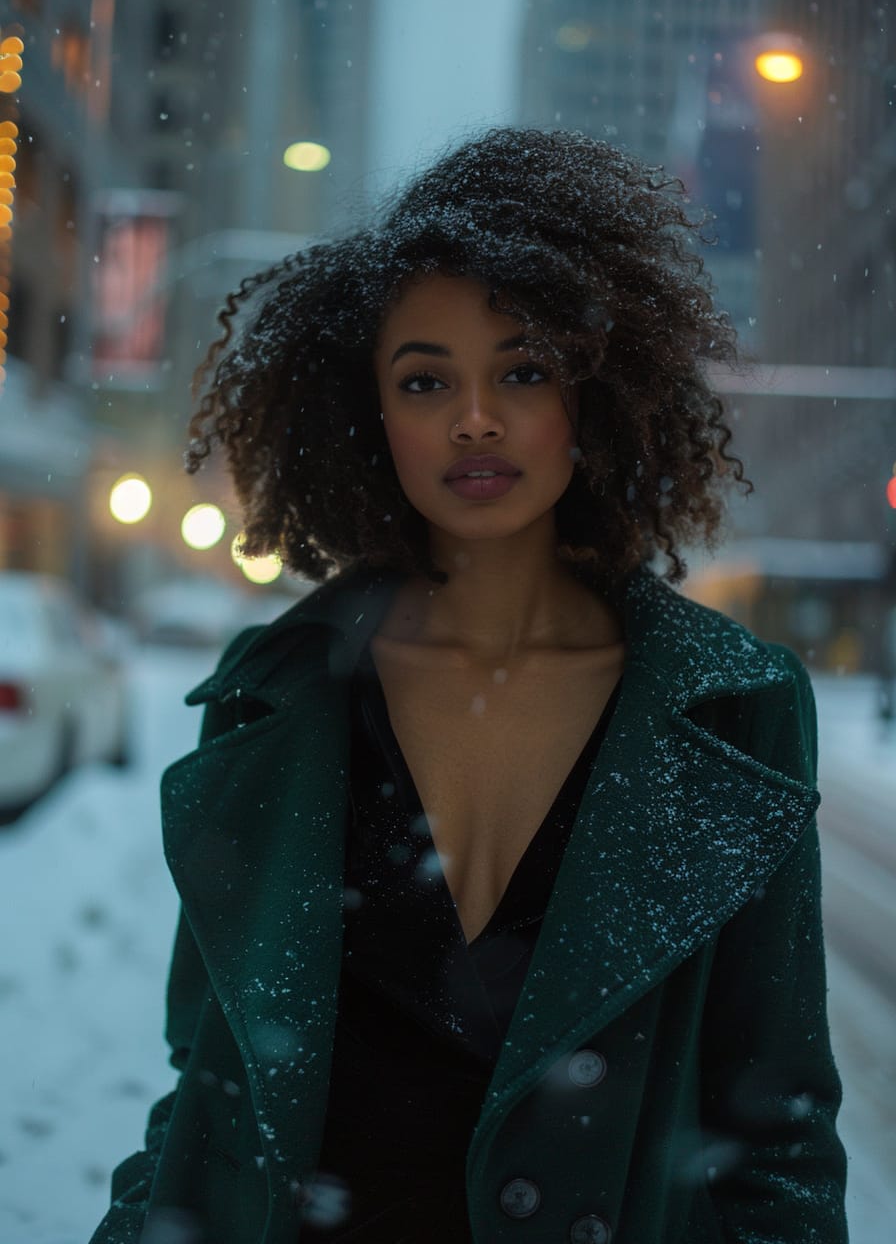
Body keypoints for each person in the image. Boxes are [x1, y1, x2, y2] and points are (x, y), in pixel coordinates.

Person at [90, 128, 847, 1244]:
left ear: (591, 399)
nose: (474, 417)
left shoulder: (730, 704)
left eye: (523, 369)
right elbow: (205, 1089)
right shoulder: (279, 697)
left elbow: (774, 1127)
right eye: (425, 377)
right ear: (369, 415)